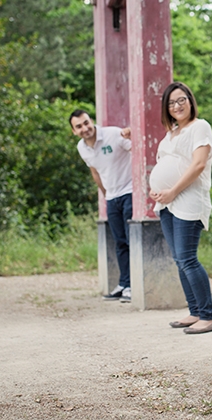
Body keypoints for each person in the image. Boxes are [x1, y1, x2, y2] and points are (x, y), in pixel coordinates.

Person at [149, 82, 212, 335]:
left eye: (181, 100)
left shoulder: (200, 127)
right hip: (167, 202)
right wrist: (158, 190)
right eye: (171, 103)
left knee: (188, 258)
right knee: (179, 260)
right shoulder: (170, 134)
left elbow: (198, 165)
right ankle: (194, 311)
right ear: (166, 109)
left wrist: (172, 190)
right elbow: (164, 165)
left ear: (190, 100)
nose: (177, 106)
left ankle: (208, 316)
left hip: (188, 200)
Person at [70, 109, 133, 303]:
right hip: (112, 197)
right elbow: (95, 172)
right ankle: (124, 283)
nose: (85, 128)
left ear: (92, 121)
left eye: (86, 123)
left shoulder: (113, 134)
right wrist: (106, 195)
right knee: (120, 242)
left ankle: (134, 286)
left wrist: (133, 131)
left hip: (129, 191)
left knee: (132, 240)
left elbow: (138, 149)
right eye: (79, 126)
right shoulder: (82, 147)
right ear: (74, 131)